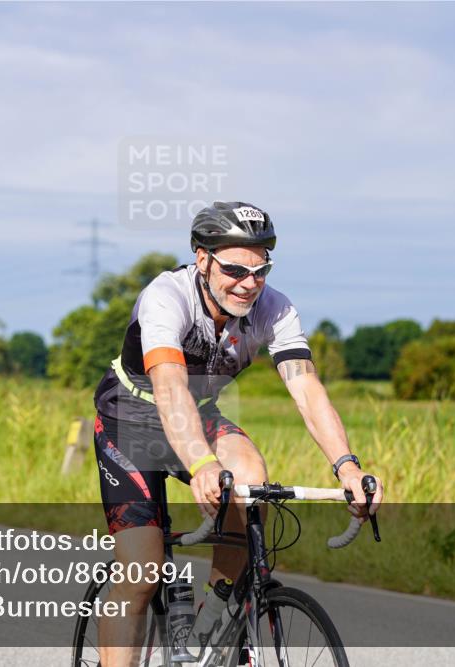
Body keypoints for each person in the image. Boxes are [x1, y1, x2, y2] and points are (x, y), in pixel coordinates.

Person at [92, 201, 384, 666]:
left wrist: (347, 465)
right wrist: (203, 464)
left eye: (261, 270)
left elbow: (306, 387)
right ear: (202, 258)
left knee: (249, 474)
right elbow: (169, 388)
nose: (249, 284)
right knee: (143, 571)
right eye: (235, 270)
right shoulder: (166, 297)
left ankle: (215, 617)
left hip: (198, 411)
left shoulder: (275, 308)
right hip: (130, 421)